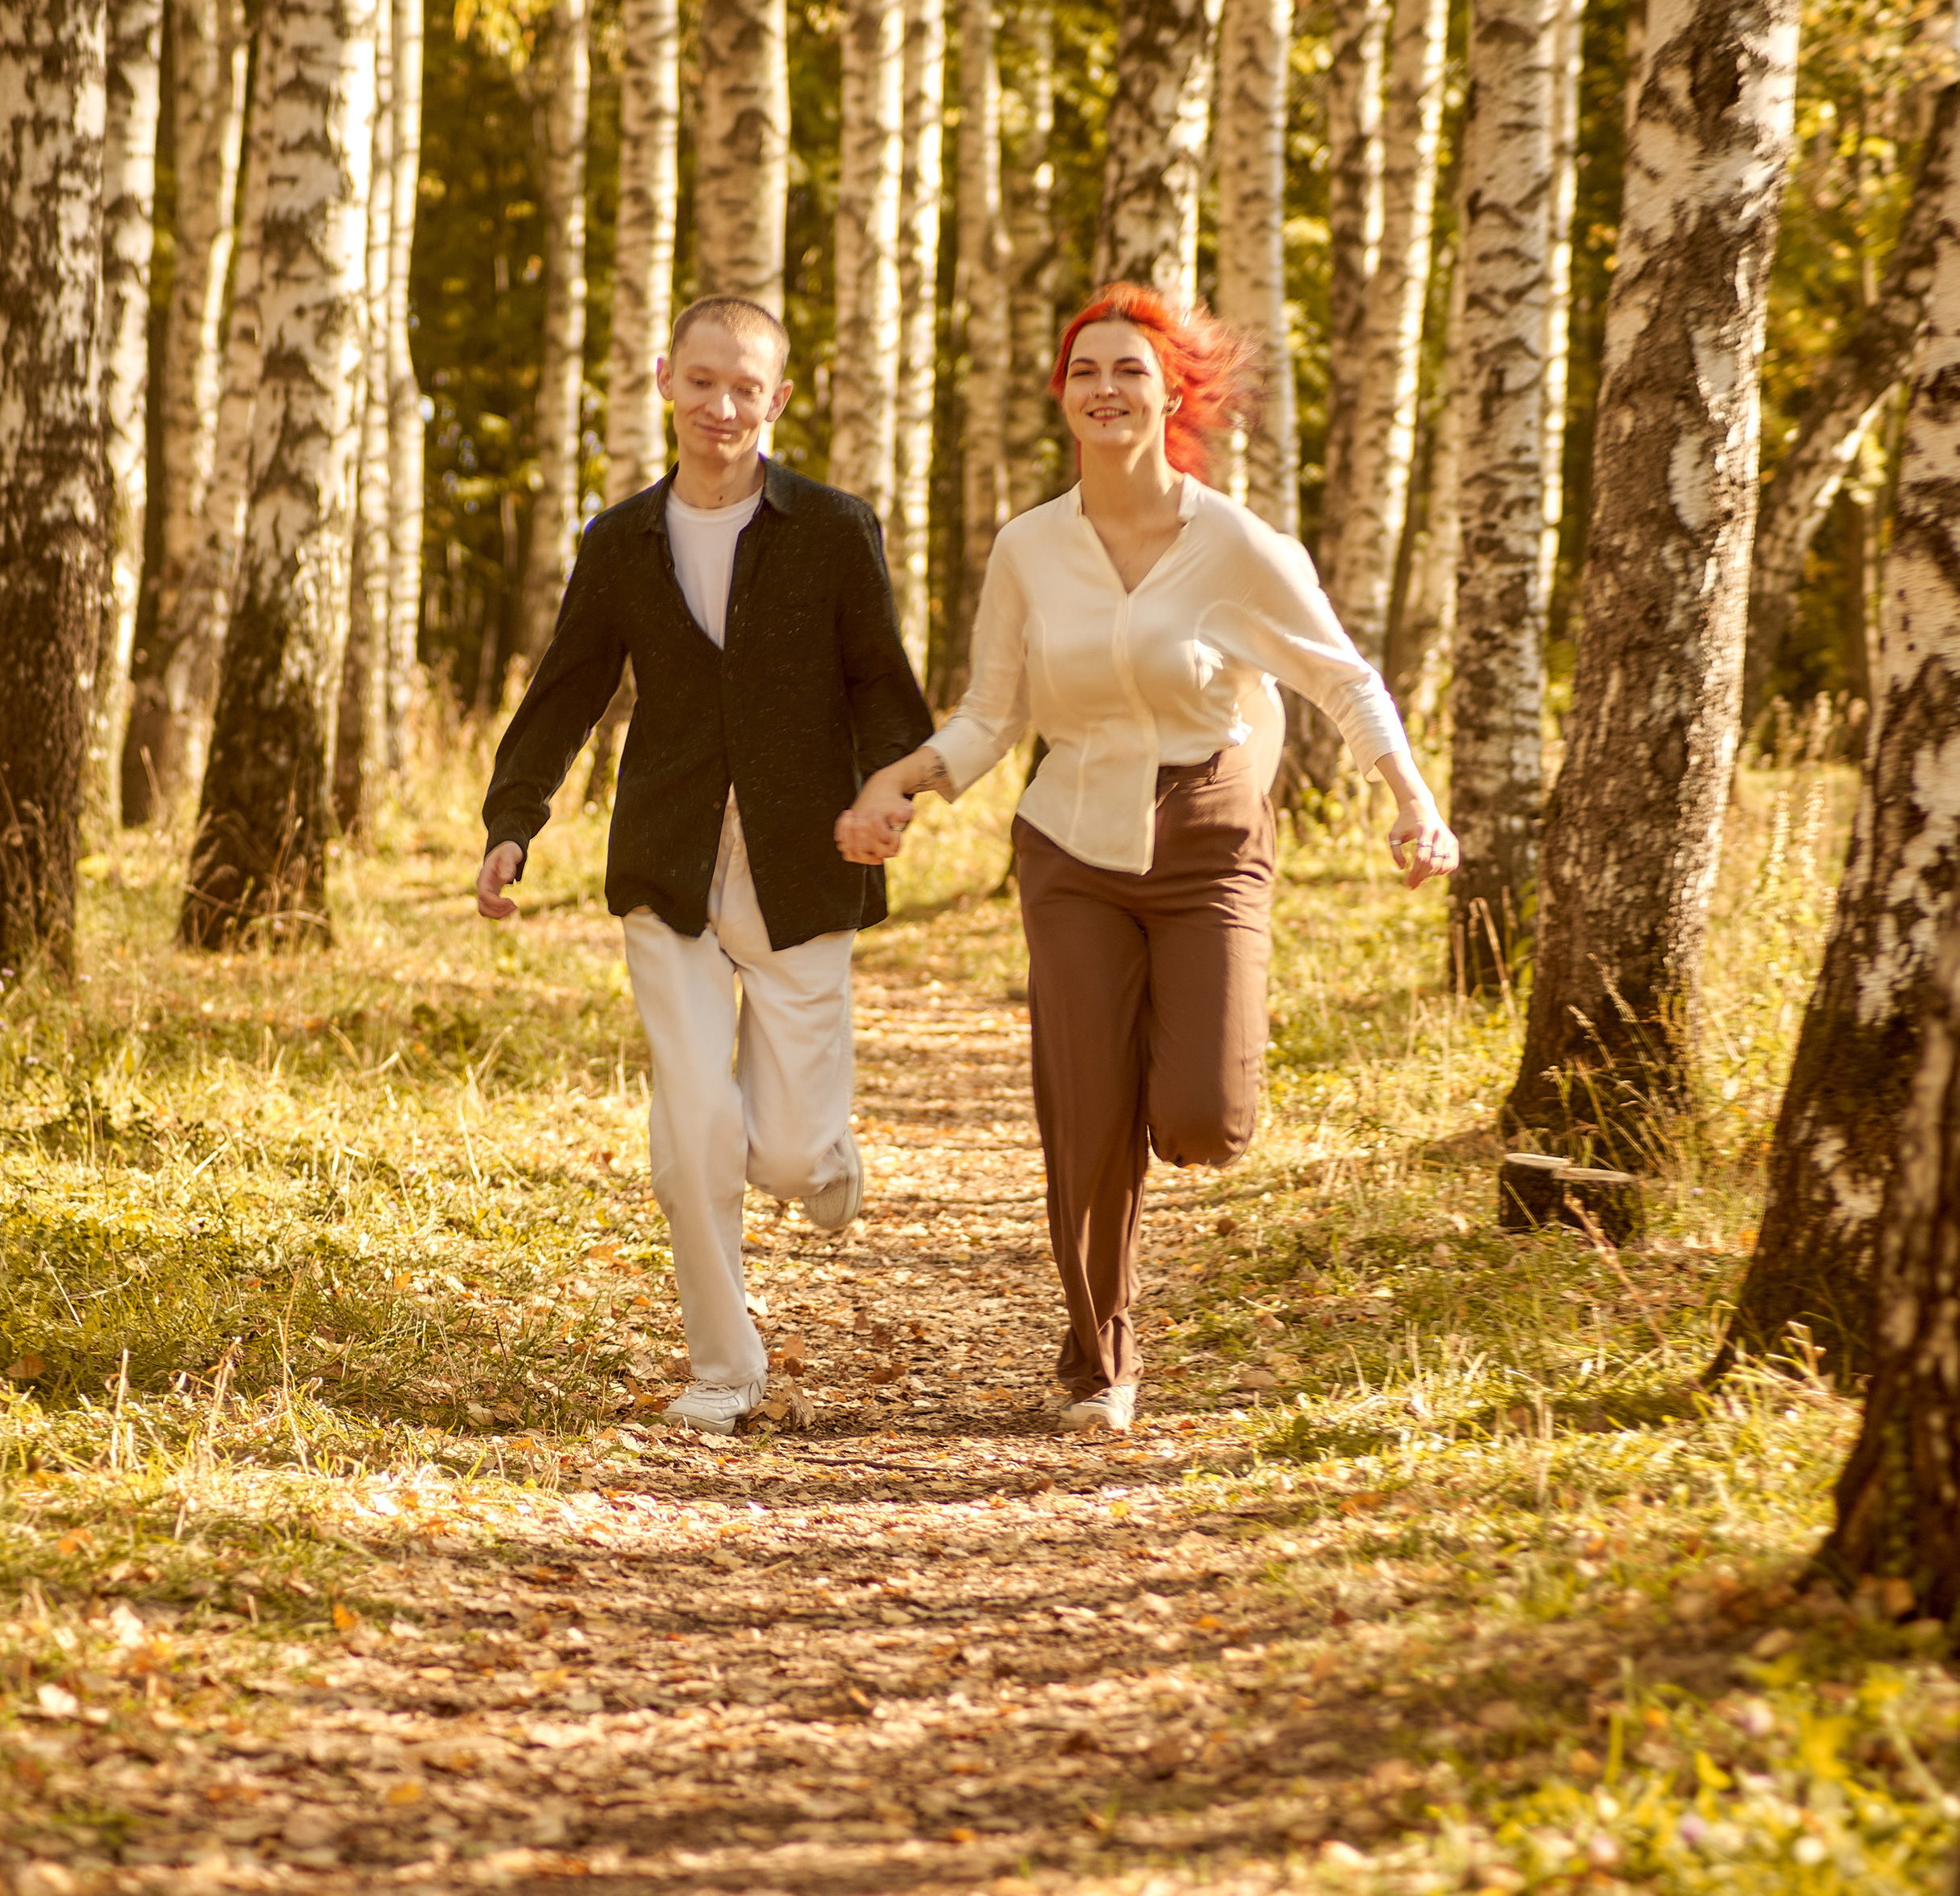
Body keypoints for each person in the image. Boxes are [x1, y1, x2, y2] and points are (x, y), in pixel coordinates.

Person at [836, 282, 1457, 1437]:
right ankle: (1099, 1358)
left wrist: (1414, 802)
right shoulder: (1028, 546)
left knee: (1205, 1119)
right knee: (1088, 1111)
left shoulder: (1231, 541)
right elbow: (989, 713)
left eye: (1130, 370)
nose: (1106, 388)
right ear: (1061, 398)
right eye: (1086, 370)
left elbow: (1342, 676)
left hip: (1209, 834)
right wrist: (899, 783)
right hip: (1069, 840)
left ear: (1173, 395)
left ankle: (1168, 1125)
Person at [477, 296, 932, 1433]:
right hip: (668, 860)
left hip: (803, 857)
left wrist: (890, 790)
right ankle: (725, 1368)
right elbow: (566, 689)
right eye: (702, 381)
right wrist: (513, 819)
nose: (722, 406)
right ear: (666, 382)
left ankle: (823, 1158)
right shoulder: (619, 540)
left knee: (782, 1154)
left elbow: (881, 681)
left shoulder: (832, 527)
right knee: (691, 1129)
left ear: (777, 402)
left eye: (747, 388)